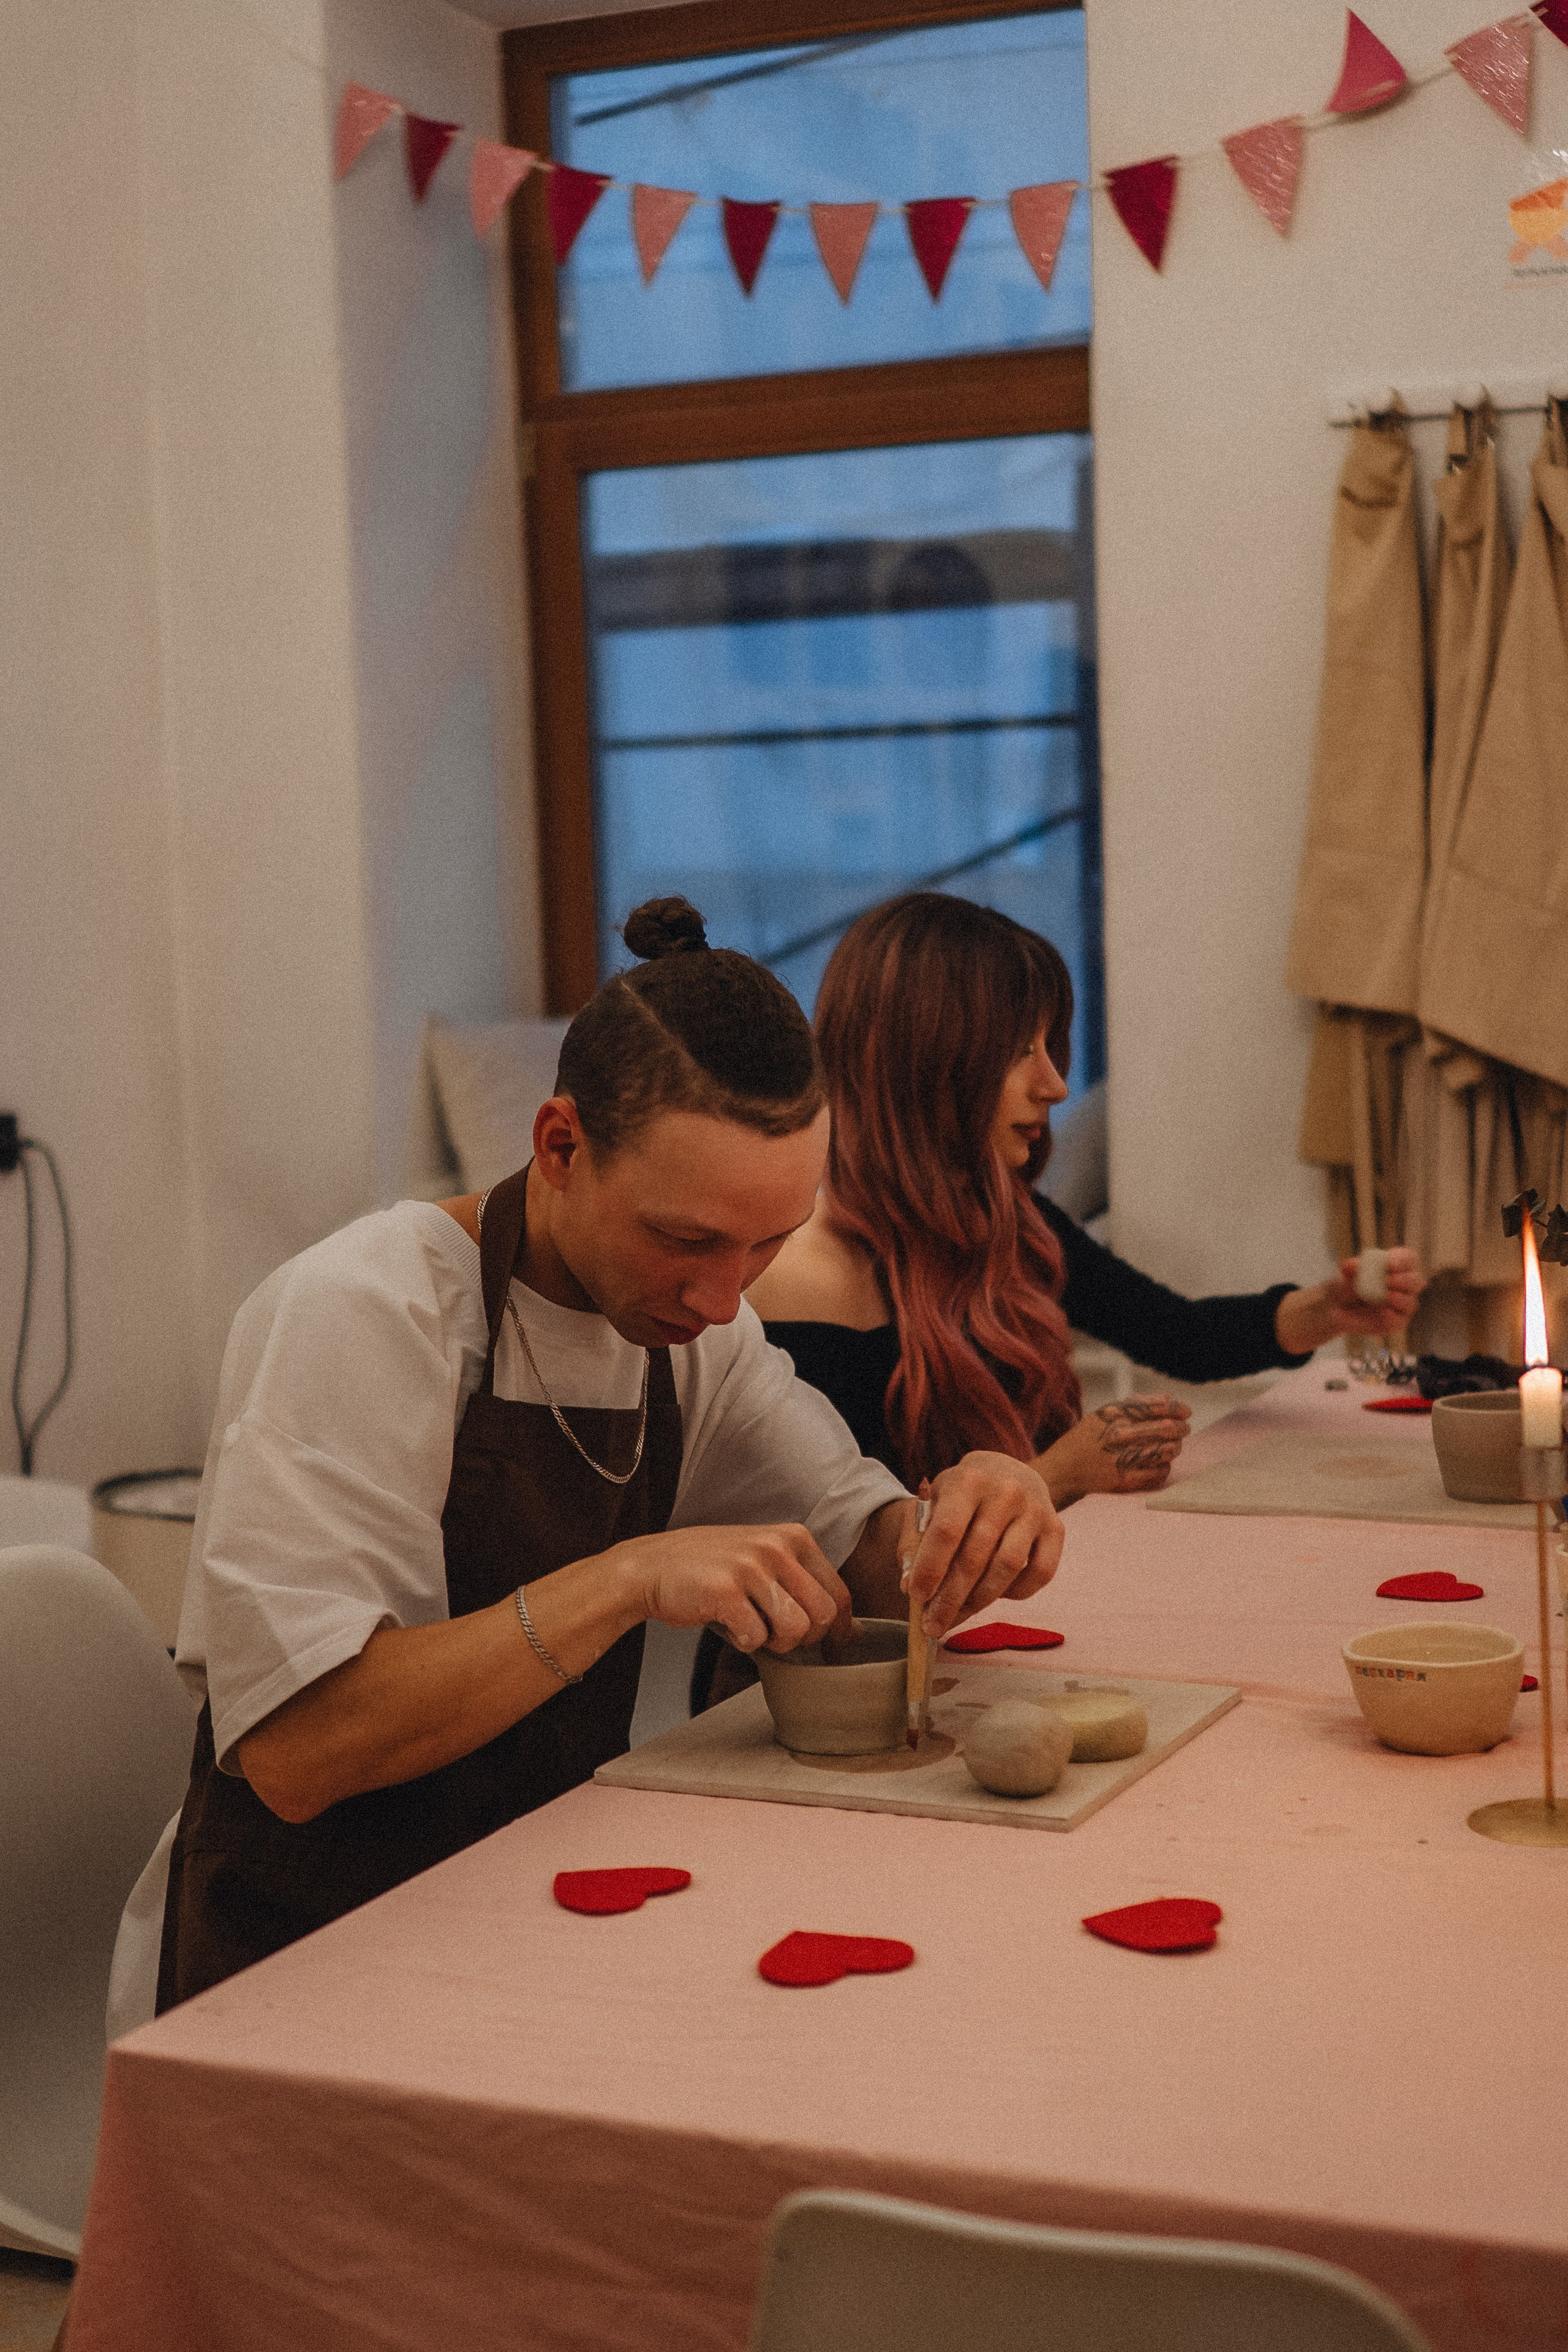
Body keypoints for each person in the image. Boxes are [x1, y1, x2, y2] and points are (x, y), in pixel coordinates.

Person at [149, 897, 1062, 2011]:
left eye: (769, 1242)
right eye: (686, 1239)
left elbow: (868, 1550)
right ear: (560, 1145)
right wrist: (625, 1580)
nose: (727, 1294)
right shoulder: (366, 1313)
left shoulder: (701, 1337)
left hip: (518, 1908)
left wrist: (980, 1510)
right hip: (303, 1961)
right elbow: (301, 1750)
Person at [744, 891, 1423, 1507]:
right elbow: (846, 1546)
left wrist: (1322, 1310)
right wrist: (1058, 1474)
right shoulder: (797, 1273)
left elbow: (1176, 1334)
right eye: (1019, 1051)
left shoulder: (1002, 1217)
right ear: (923, 1064)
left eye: (1050, 1045)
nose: (1055, 1085)